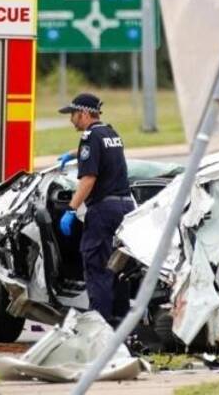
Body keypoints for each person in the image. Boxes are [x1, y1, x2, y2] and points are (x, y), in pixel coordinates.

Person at [57, 92, 133, 324]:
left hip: (103, 212)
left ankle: (98, 327)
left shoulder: (90, 137)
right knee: (118, 269)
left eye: (73, 114)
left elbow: (88, 178)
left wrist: (71, 209)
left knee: (97, 268)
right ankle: (121, 326)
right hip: (125, 208)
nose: (71, 120)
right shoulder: (111, 133)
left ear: (84, 113)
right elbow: (103, 155)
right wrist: (72, 154)